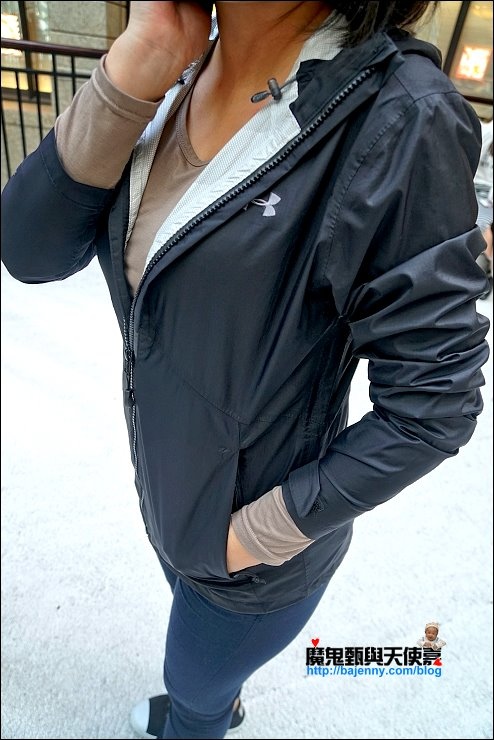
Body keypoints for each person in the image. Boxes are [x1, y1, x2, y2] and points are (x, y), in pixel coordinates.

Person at [1, 2, 490, 738]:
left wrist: (246, 539)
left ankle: (203, 716)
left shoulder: (401, 118)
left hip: (254, 561)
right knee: (200, 664)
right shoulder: (177, 70)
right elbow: (30, 250)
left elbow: (431, 410)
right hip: (171, 493)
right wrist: (145, 52)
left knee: (191, 688)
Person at [474, 119, 493, 299]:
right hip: (478, 190)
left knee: (485, 225)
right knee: (482, 224)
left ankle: (485, 269)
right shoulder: (485, 131)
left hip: (486, 195)